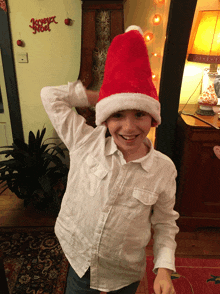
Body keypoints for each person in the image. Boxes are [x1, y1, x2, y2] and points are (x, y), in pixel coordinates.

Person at [41, 25, 179, 294]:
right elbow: (51, 95)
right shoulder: (85, 141)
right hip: (80, 260)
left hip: (123, 272)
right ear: (104, 118)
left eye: (139, 114)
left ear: (153, 118)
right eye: (117, 115)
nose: (129, 128)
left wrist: (164, 271)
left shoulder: (163, 169)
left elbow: (164, 222)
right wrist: (104, 97)